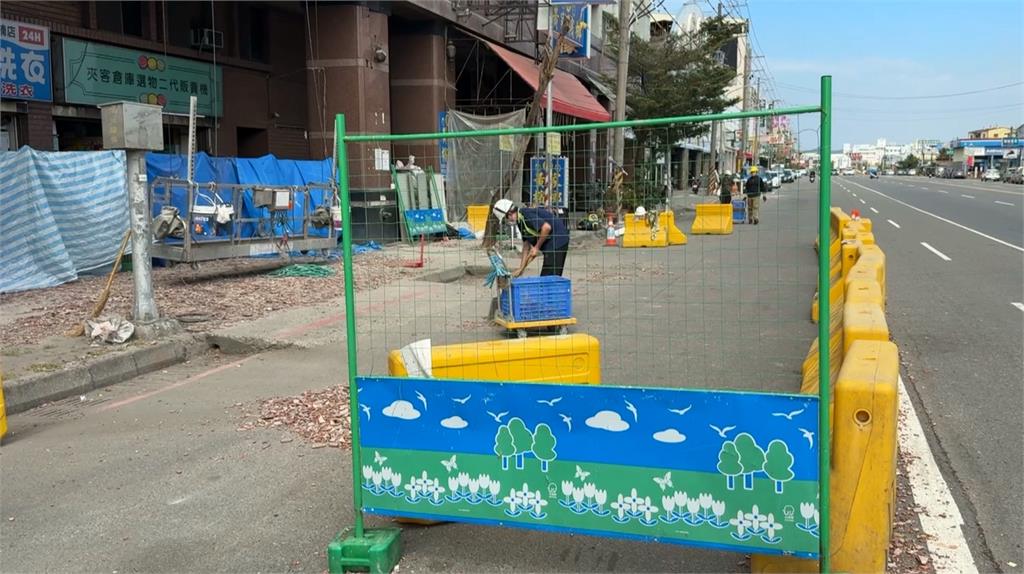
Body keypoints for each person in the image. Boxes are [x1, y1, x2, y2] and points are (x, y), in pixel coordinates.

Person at [492, 198, 569, 277]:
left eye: (506, 218)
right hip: (551, 244)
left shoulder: (525, 214)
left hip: (558, 240)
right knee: (548, 276)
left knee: (548, 278)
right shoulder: (519, 221)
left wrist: (536, 247)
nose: (508, 221)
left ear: (509, 213)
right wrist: (521, 268)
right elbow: (526, 245)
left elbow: (546, 227)